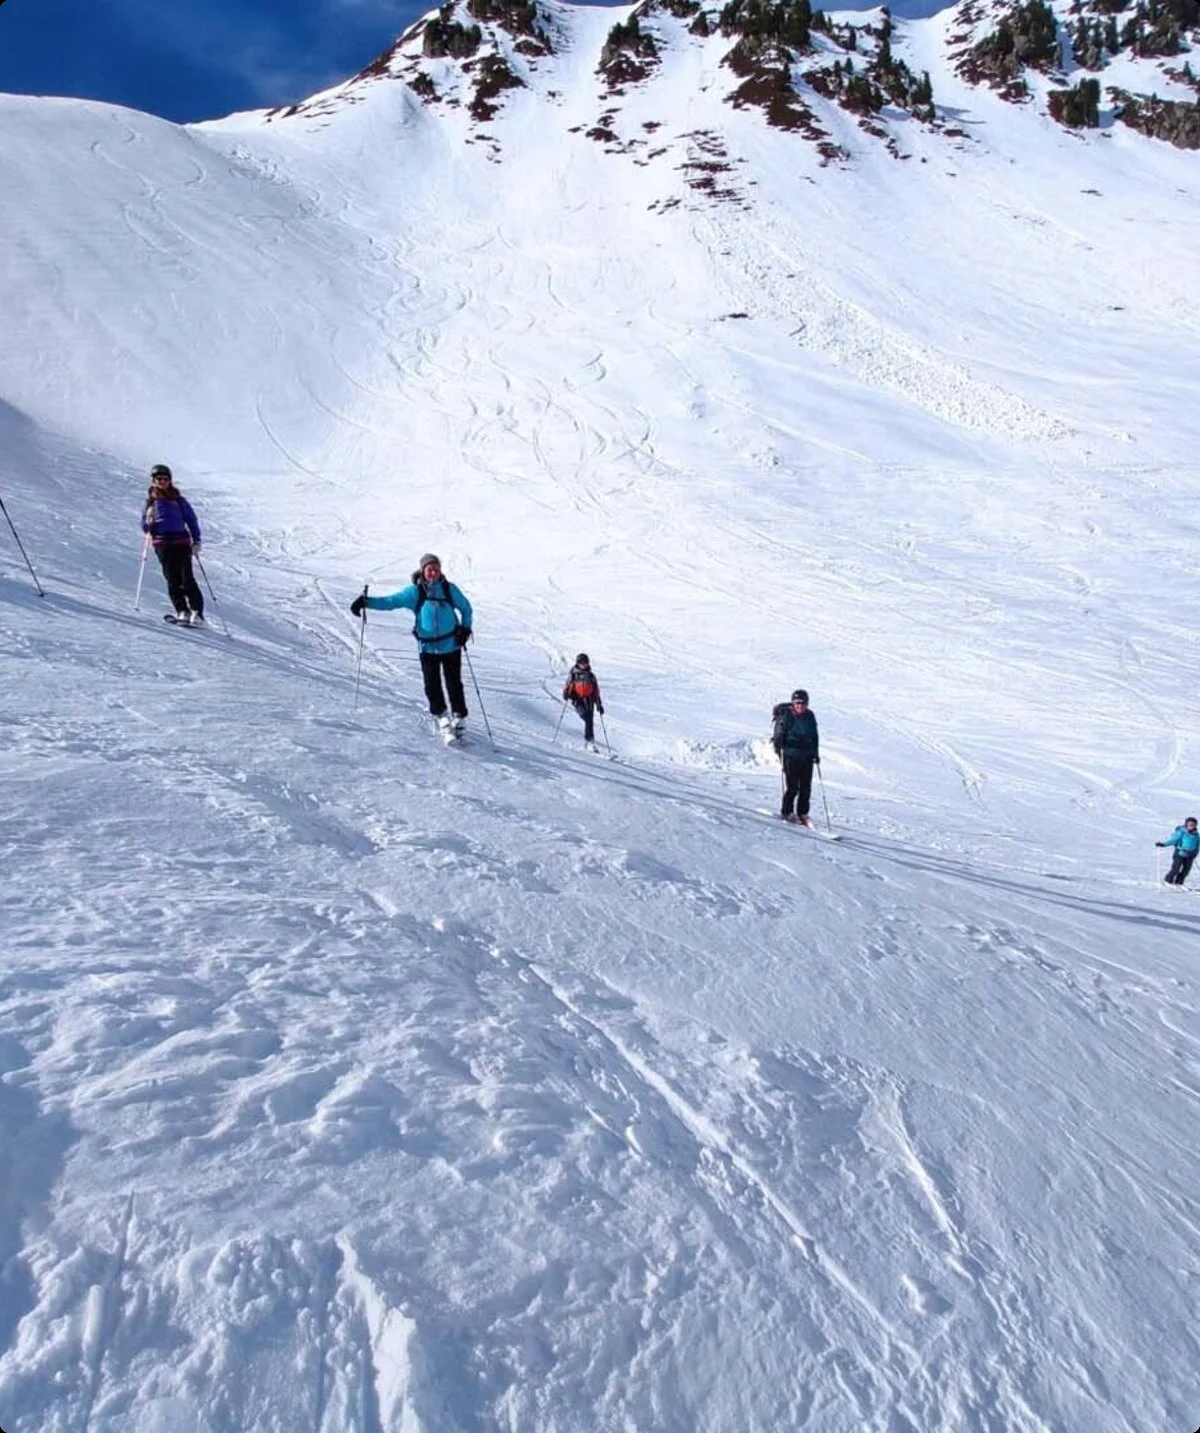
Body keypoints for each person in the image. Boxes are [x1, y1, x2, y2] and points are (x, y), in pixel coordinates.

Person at [351, 554, 473, 740]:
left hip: (451, 645)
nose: (433, 572)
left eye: (436, 569)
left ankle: (459, 716)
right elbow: (391, 602)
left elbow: (466, 608)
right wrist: (366, 602)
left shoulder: (449, 589)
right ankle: (441, 715)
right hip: (427, 648)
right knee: (432, 685)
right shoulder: (416, 592)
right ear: (423, 571)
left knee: (454, 682)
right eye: (429, 569)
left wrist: (465, 628)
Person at [142, 463, 204, 624]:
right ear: (153, 481)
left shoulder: (178, 500)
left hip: (181, 542)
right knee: (172, 579)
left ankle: (197, 613)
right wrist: (149, 520)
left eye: (165, 479)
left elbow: (191, 519)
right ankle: (182, 611)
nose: (162, 482)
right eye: (158, 479)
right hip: (162, 544)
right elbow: (145, 527)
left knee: (187, 578)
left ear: (170, 481)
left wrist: (196, 540)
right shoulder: (151, 502)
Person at [772, 688, 820, 825]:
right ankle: (787, 812)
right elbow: (779, 736)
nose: (800, 705)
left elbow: (814, 736)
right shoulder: (786, 715)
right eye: (797, 702)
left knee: (806, 788)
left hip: (807, 756)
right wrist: (779, 748)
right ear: (793, 703)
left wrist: (815, 753)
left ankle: (802, 813)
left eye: (803, 703)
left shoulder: (810, 716)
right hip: (790, 756)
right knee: (793, 787)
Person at [562, 654, 604, 752]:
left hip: (589, 700)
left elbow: (596, 690)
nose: (583, 665)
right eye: (581, 663)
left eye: (585, 663)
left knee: (590, 721)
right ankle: (589, 741)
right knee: (587, 718)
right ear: (578, 663)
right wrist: (566, 693)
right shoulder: (574, 674)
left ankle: (590, 742)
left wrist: (599, 704)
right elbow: (567, 684)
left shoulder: (591, 675)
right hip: (578, 700)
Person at [1157, 816, 1199, 886]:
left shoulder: (1196, 835)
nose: (1191, 826)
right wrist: (1163, 844)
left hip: (1190, 855)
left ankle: (1179, 883)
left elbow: (1197, 846)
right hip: (1179, 853)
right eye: (1189, 824)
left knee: (1186, 871)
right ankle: (1168, 881)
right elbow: (1173, 840)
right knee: (1175, 869)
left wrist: (1195, 853)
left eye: (1193, 824)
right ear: (1186, 825)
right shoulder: (1182, 832)